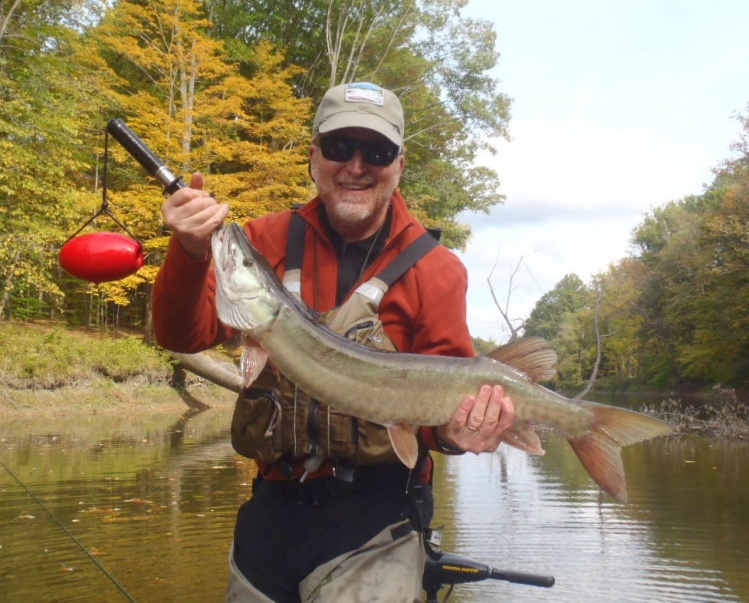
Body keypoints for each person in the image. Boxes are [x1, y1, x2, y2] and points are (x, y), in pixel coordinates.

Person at [152, 81, 515, 603]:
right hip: (270, 513)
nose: (356, 166)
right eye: (340, 147)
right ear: (313, 157)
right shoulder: (264, 238)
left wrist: (462, 432)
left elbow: (438, 417)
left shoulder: (436, 271)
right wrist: (188, 251)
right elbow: (181, 334)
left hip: (376, 521)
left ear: (399, 164)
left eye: (378, 151)